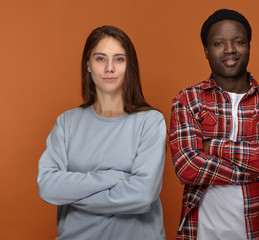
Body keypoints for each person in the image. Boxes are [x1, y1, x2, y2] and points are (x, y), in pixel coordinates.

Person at [170, 9, 259, 240]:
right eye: (219, 43)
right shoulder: (188, 100)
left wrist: (216, 148)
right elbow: (187, 167)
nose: (230, 49)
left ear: (249, 46)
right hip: (203, 232)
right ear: (206, 51)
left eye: (238, 41)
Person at [37, 25, 166, 240]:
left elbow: (143, 195)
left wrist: (71, 194)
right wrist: (114, 177)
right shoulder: (67, 122)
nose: (109, 68)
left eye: (119, 59)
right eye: (100, 59)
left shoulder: (150, 122)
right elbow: (48, 187)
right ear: (87, 65)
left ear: (129, 66)